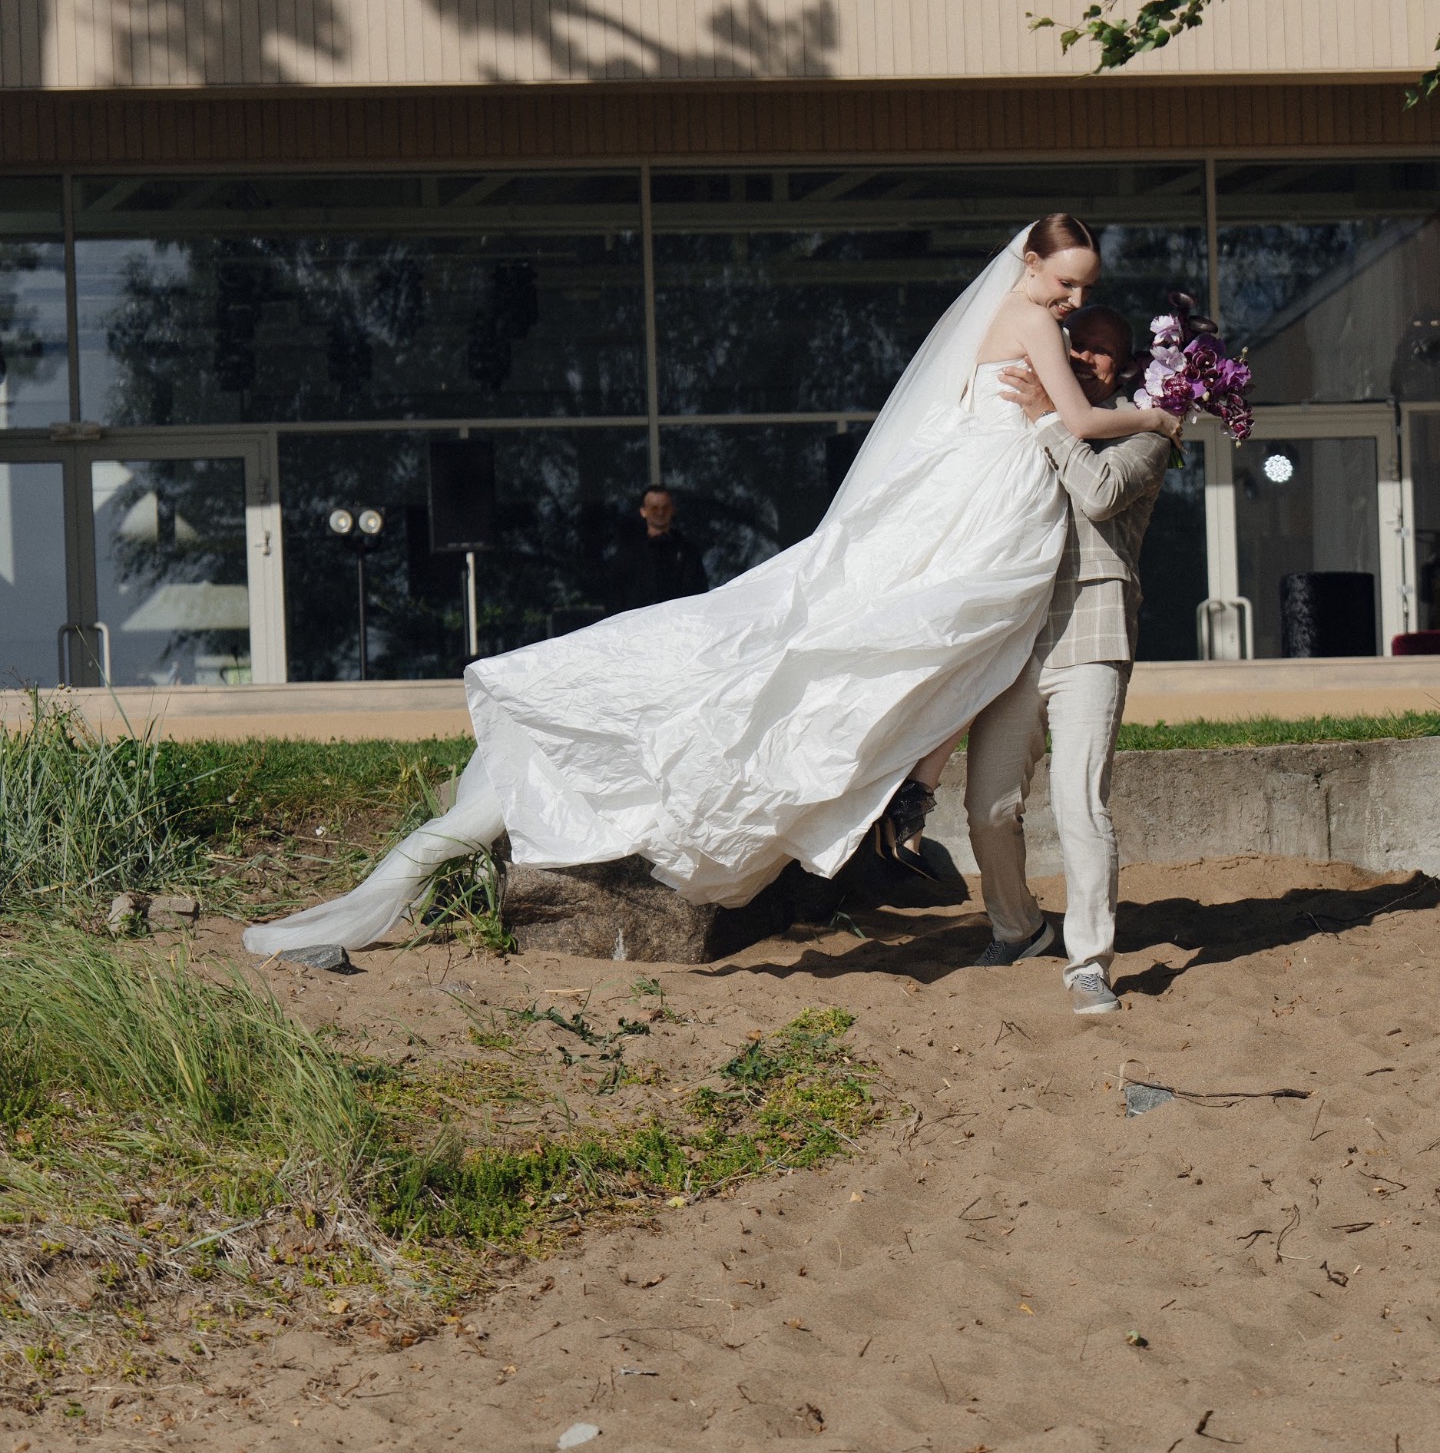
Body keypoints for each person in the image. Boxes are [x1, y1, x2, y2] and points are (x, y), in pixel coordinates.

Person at [243, 216, 1180, 957]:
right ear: (1029, 262)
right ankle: (903, 790)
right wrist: (1166, 417)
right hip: (989, 498)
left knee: (933, 636)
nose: (1071, 303)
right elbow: (1076, 418)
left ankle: (907, 787)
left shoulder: (1010, 319)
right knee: (923, 630)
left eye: (1082, 292)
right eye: (1065, 284)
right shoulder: (1026, 320)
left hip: (982, 494)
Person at [902, 304, 1170, 1018]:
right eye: (1074, 346)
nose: (1084, 359)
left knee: (1081, 803)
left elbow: (1100, 494)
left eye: (1102, 351)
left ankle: (1089, 963)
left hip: (1091, 636)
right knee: (988, 807)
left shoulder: (1146, 433)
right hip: (1014, 642)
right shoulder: (1016, 426)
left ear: (1126, 366)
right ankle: (1018, 928)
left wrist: (1050, 416)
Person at [607, 485, 709, 613]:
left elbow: (699, 593)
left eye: (665, 507)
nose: (660, 513)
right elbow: (615, 598)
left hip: (678, 621)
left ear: (672, 510)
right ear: (643, 511)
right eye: (654, 508)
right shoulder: (627, 553)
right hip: (637, 622)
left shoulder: (687, 552)